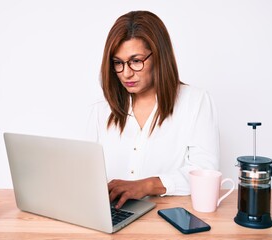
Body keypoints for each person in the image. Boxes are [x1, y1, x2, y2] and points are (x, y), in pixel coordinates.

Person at [86, 10, 219, 209]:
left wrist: (148, 185)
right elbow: (86, 174)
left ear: (159, 56)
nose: (126, 73)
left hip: (166, 219)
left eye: (136, 61)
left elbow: (204, 173)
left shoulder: (195, 102)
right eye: (118, 63)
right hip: (112, 216)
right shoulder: (101, 110)